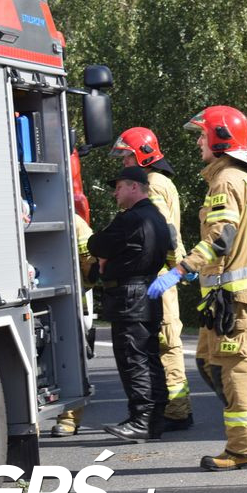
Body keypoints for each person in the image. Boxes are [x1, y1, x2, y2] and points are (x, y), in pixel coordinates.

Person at [148, 105, 247, 471]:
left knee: (232, 370)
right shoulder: (238, 177)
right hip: (227, 293)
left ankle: (243, 448)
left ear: (220, 138)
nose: (197, 141)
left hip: (233, 295)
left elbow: (221, 237)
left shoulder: (227, 180)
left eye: (202, 134)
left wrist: (180, 269)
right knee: (208, 363)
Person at [110, 127, 194, 431]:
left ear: (142, 153)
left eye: (126, 156)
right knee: (162, 341)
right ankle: (174, 407)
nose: (123, 162)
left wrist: (173, 270)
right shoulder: (161, 182)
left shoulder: (152, 185)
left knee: (165, 341)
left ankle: (176, 410)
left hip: (157, 275)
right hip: (163, 272)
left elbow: (161, 230)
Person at [89, 167, 173, 442]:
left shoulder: (131, 220)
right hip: (146, 292)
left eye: (119, 187)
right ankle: (154, 419)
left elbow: (97, 243)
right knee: (148, 357)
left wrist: (103, 254)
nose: (115, 193)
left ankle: (141, 420)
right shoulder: (157, 218)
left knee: (132, 359)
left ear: (134, 188)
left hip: (129, 296)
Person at [50, 213, 98, 437]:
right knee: (70, 362)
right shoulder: (73, 218)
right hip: (66, 302)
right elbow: (90, 261)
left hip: (63, 303)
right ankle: (69, 419)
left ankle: (67, 419)